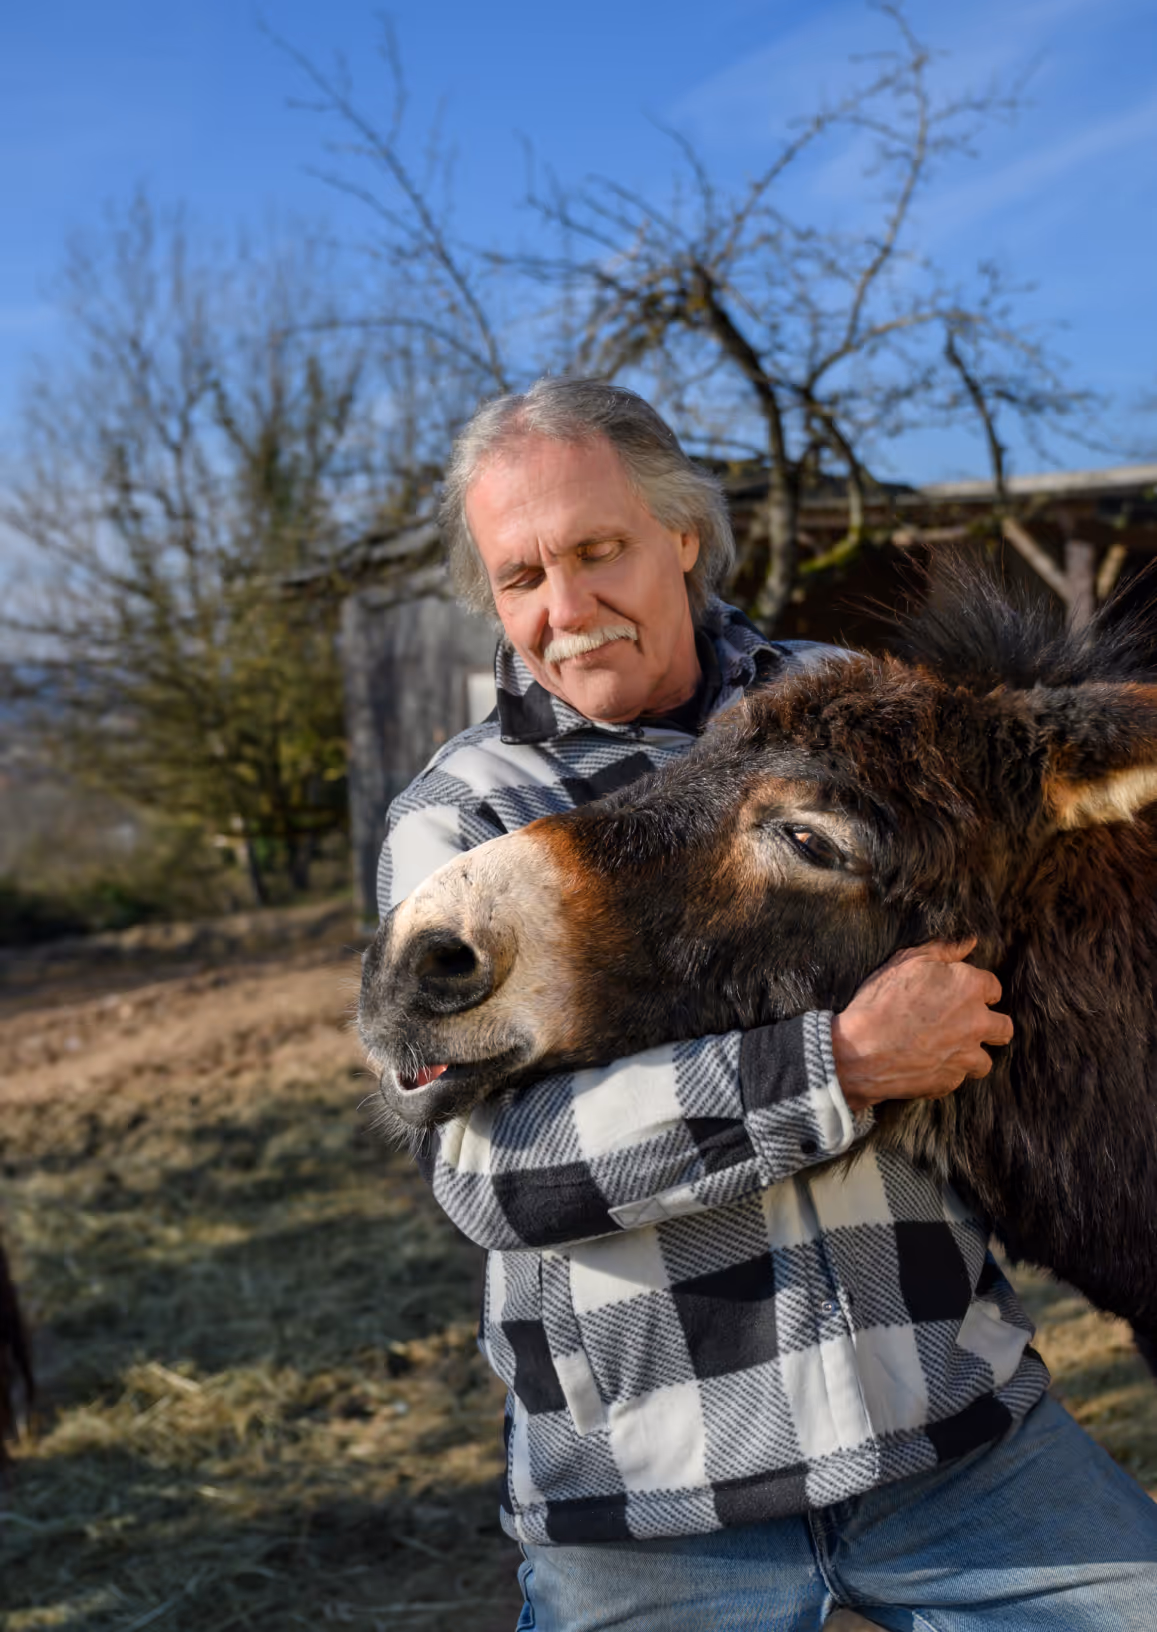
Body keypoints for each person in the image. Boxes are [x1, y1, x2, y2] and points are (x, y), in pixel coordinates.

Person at [375, 378, 1157, 1630]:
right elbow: (489, 1178)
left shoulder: (860, 706)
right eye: (520, 578)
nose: (566, 610)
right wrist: (833, 1068)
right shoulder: (461, 819)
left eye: (597, 550)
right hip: (654, 1495)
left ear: (682, 535)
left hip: (942, 1431)